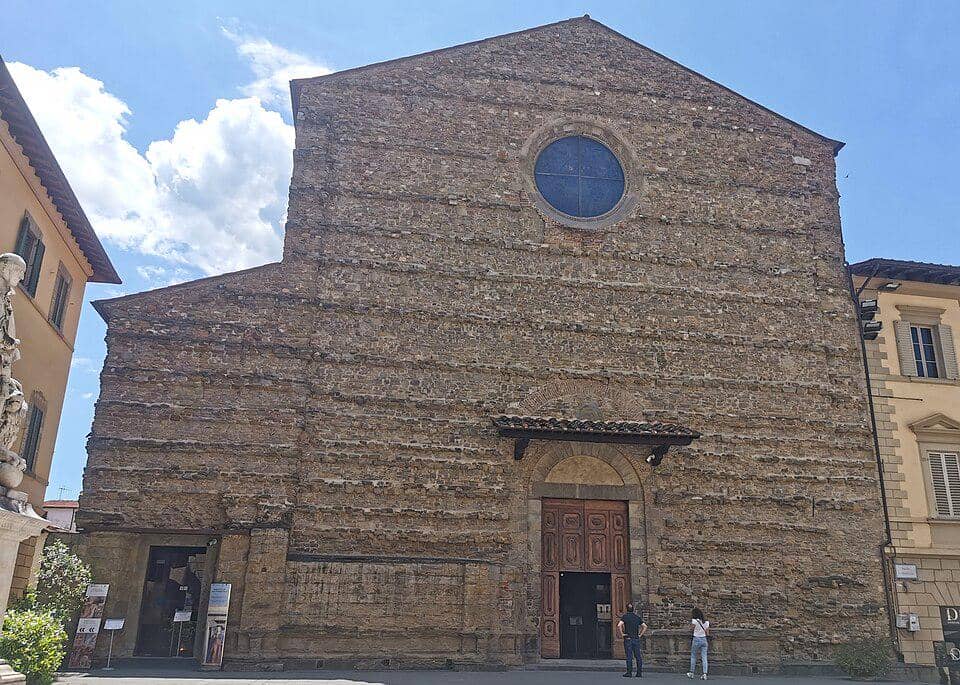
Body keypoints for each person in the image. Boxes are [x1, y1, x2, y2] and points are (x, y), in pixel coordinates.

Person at [616, 602, 647, 678]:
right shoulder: (637, 617)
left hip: (628, 639)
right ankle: (639, 673)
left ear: (627, 609)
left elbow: (619, 625)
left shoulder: (625, 617)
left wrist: (622, 634)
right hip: (636, 639)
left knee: (629, 656)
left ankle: (629, 672)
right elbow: (645, 626)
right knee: (638, 656)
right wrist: (640, 634)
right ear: (633, 609)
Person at [687, 607, 709, 680]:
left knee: (693, 656)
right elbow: (707, 633)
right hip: (704, 639)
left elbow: (691, 629)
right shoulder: (706, 622)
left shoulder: (694, 621)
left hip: (696, 639)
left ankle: (691, 673)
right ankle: (705, 674)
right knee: (704, 657)